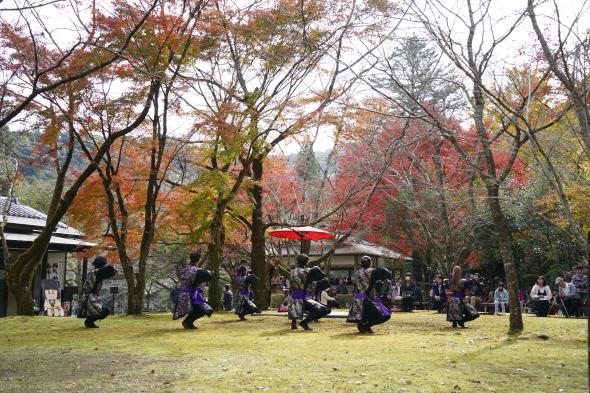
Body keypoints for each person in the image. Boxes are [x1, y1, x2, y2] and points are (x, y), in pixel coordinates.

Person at [288, 254, 330, 330]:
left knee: (297, 307)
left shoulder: (292, 272)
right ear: (306, 262)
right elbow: (321, 274)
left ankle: (294, 323)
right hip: (303, 297)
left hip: (293, 296)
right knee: (325, 310)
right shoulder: (306, 271)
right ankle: (304, 322)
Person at [173, 252, 213, 329]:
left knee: (202, 308)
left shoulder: (186, 268)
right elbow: (205, 277)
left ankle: (188, 322)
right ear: (198, 260)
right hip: (190, 294)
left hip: (185, 293)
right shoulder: (196, 270)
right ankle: (187, 322)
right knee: (203, 309)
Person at [79, 256, 117, 328]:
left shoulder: (93, 272)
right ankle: (89, 322)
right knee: (104, 311)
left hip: (90, 296)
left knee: (101, 311)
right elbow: (109, 270)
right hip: (89, 297)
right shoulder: (97, 272)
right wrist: (114, 270)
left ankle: (89, 322)